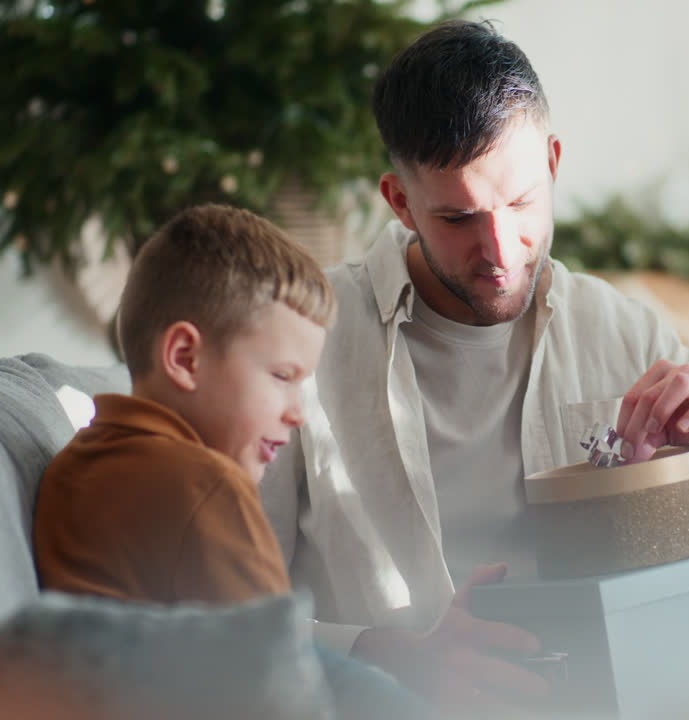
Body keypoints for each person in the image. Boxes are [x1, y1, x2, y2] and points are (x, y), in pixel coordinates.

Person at [261, 19, 689, 709]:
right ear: (400, 202)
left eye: (519, 203)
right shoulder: (304, 342)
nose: (499, 251)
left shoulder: (620, 331)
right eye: (457, 219)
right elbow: (219, 613)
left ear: (552, 160)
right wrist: (384, 657)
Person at [32, 204, 427, 719]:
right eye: (283, 377)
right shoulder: (206, 485)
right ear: (185, 358)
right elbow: (282, 686)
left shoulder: (77, 464)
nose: (297, 414)